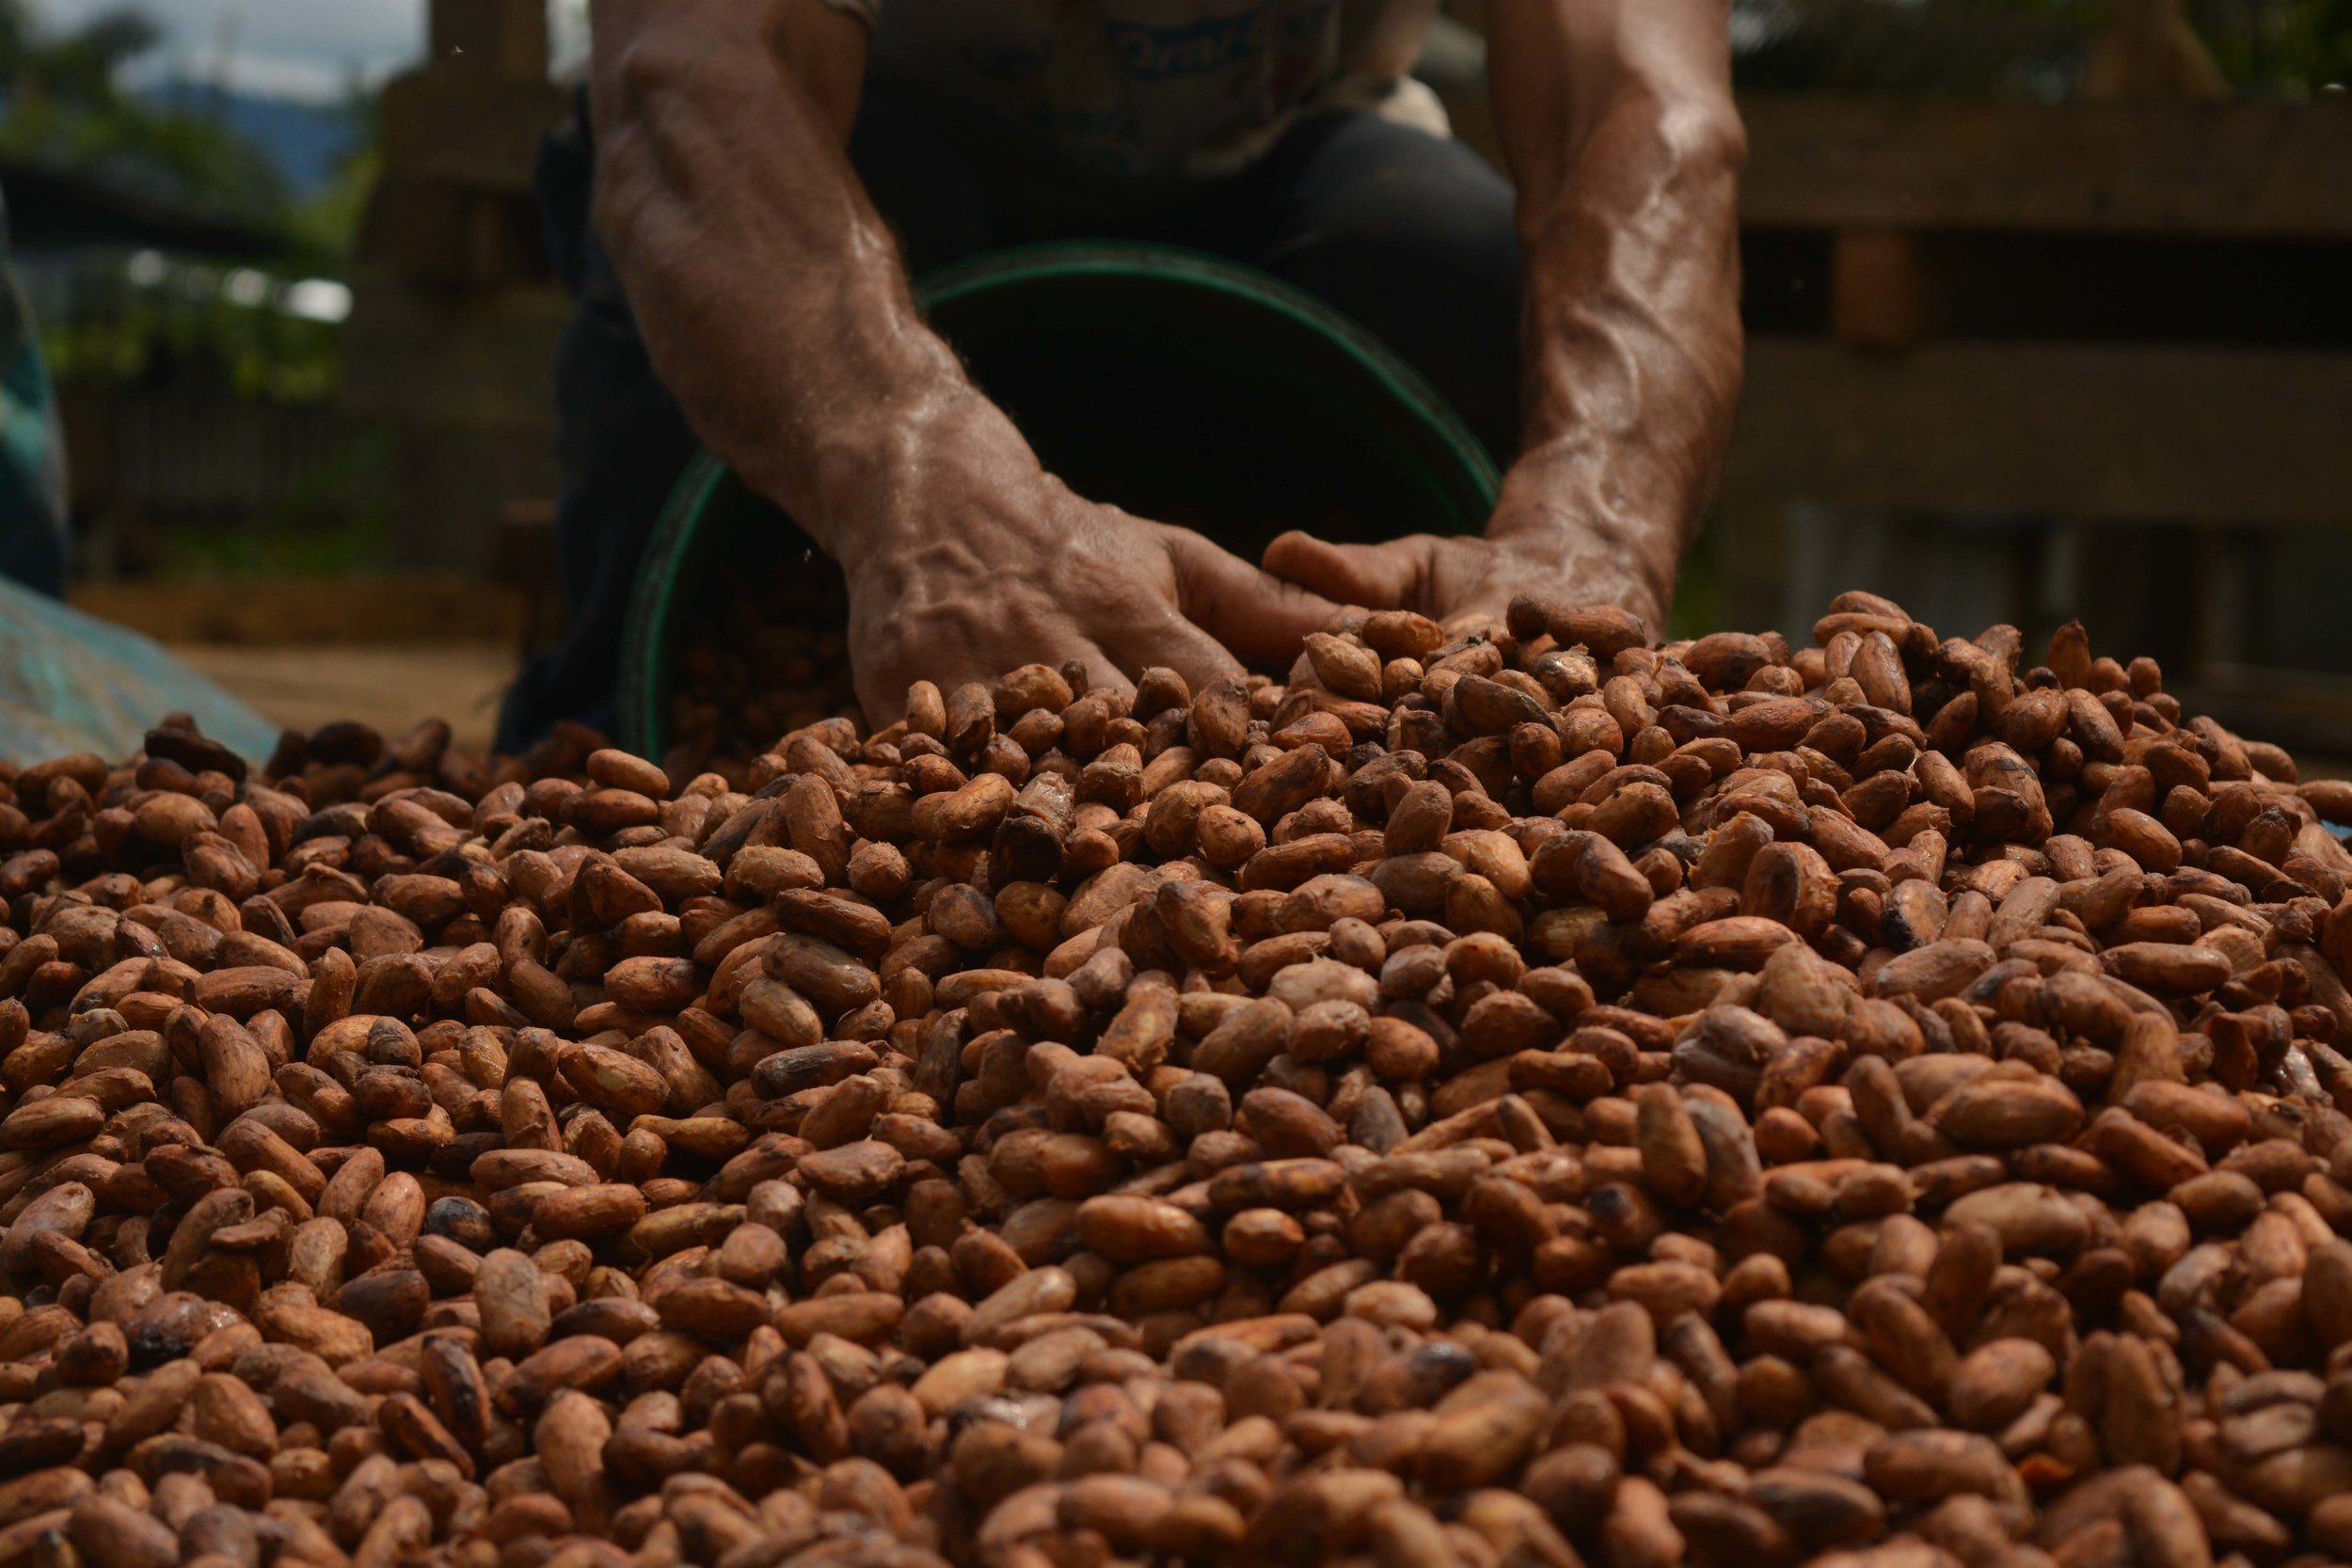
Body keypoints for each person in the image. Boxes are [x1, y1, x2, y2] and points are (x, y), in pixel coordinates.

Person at [498, 0, 1745, 746]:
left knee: (1432, 253)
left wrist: (1595, 527)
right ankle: (617, 722)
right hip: (855, 166)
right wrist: (919, 491)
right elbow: (698, 88)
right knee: (739, 279)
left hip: (1262, 174)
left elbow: (1642, 108)